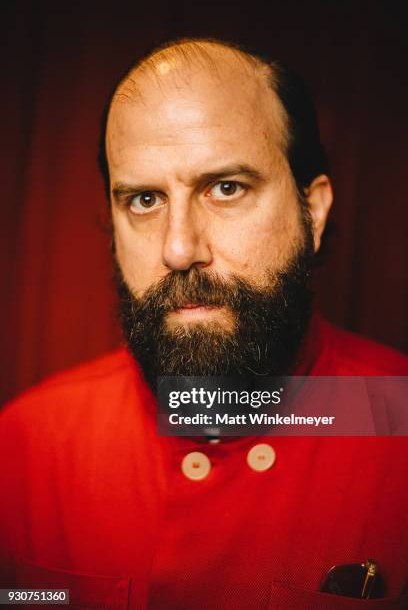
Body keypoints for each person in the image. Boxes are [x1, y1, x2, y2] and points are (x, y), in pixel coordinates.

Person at [1, 38, 408, 608]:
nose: (177, 248)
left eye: (226, 188)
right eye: (144, 199)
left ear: (311, 211)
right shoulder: (24, 451)